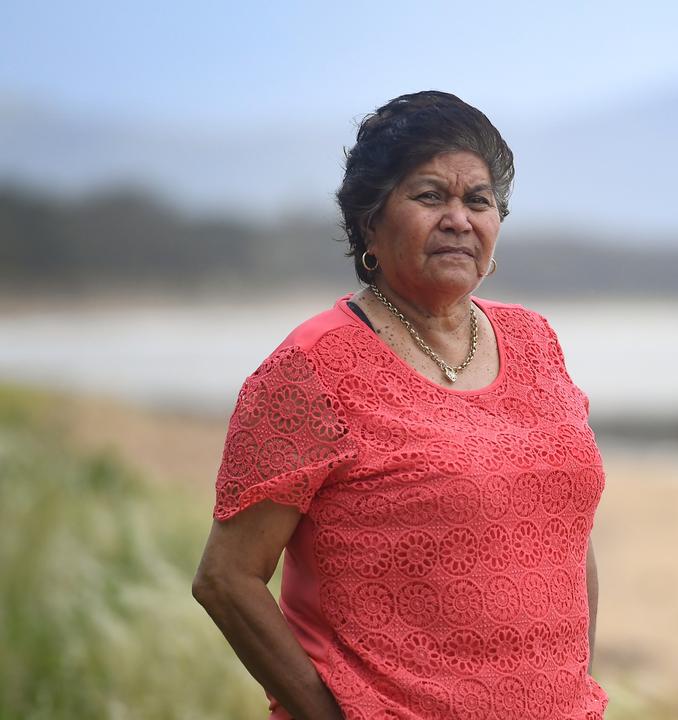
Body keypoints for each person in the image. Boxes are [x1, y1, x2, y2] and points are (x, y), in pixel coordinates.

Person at [191, 91, 608, 720]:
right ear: (369, 221)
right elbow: (226, 578)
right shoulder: (314, 367)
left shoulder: (535, 341)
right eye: (429, 195)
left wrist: (575, 690)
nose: (459, 219)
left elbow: (568, 535)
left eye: (479, 200)